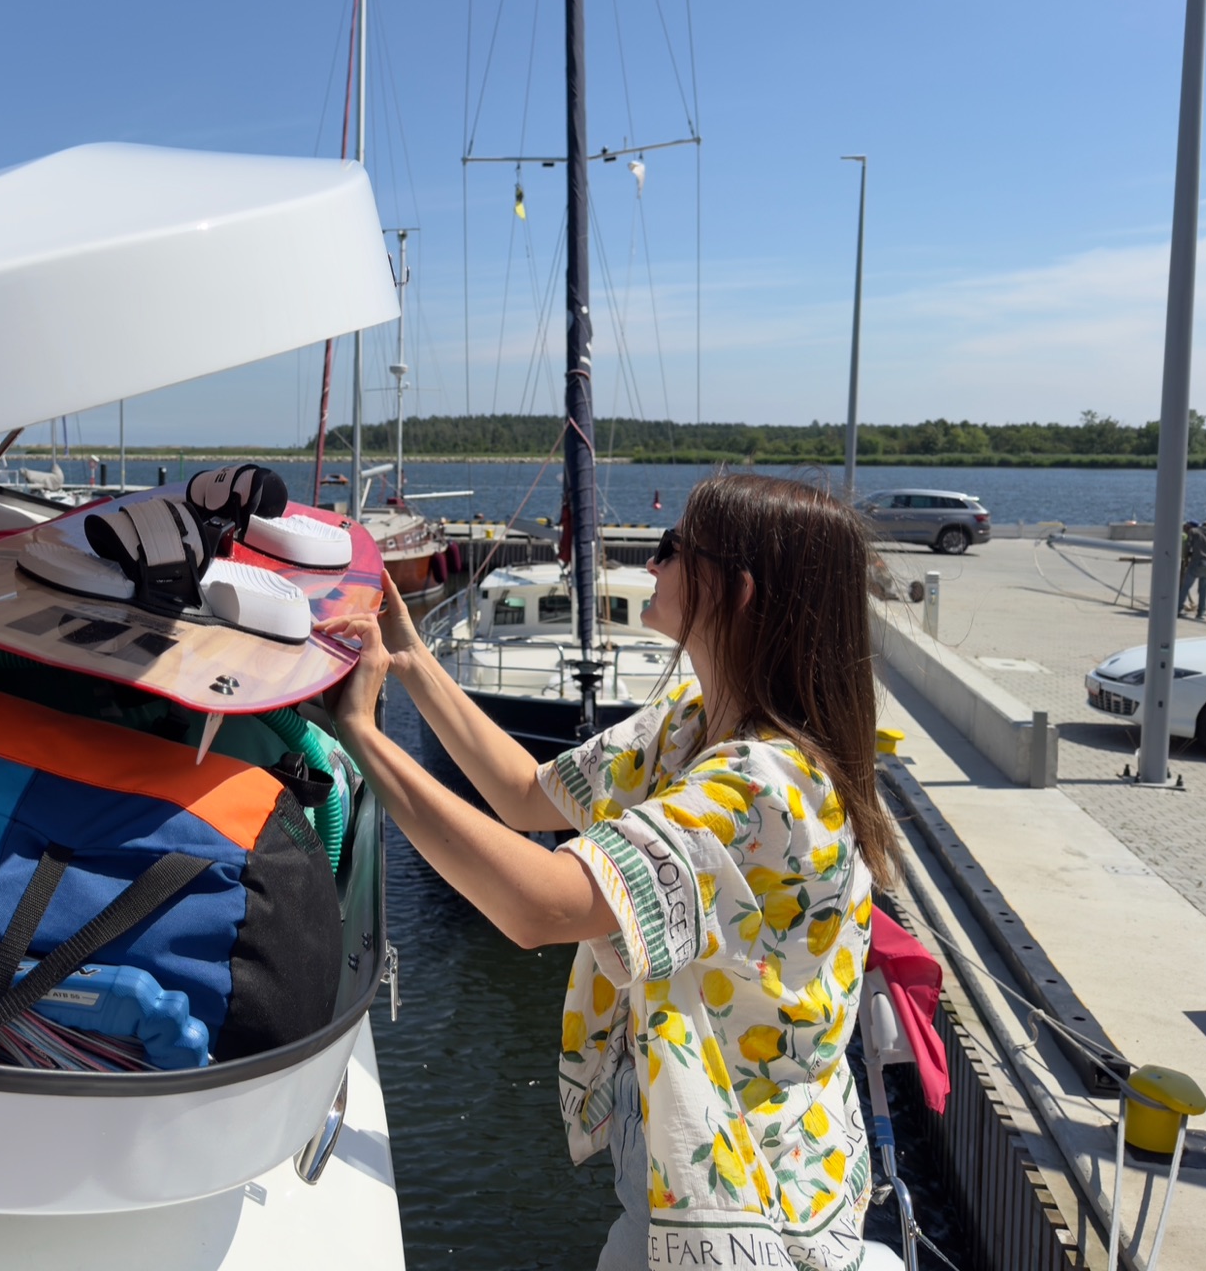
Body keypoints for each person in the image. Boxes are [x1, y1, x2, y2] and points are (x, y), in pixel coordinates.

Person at [323, 472, 897, 1269]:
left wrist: (361, 736)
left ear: (735, 591)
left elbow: (543, 909)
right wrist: (411, 657)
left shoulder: (764, 786)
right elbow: (526, 795)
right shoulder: (689, 721)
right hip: (706, 1149)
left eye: (672, 548)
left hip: (748, 1196)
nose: (650, 564)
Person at [1182, 520, 1206, 619]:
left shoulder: (1194, 531)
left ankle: (1178, 609)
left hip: (1196, 562)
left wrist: (1186, 557)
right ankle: (1201, 613)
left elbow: (1187, 546)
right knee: (1203, 589)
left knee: (1185, 587)